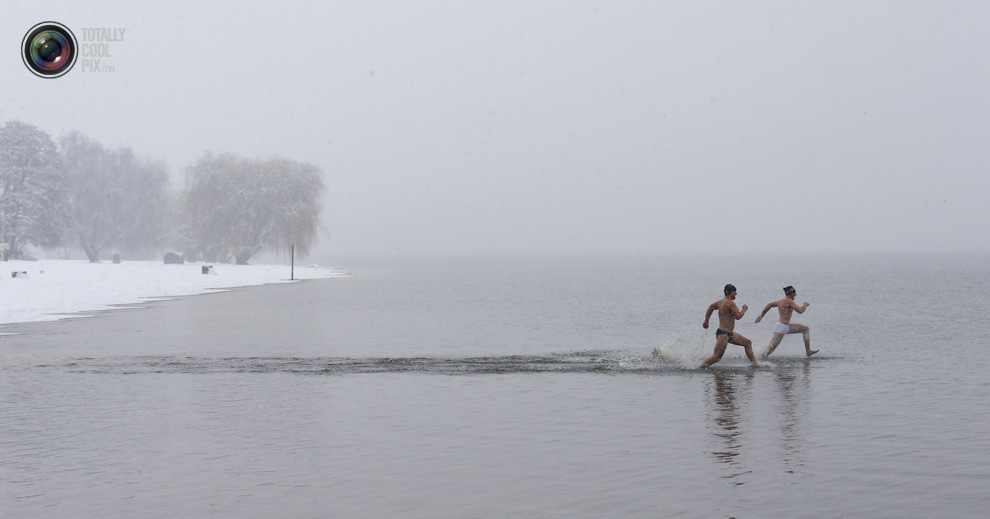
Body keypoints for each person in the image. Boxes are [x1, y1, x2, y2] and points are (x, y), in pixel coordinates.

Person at [700, 284, 759, 368]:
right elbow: (738, 316)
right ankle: (700, 368)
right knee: (717, 357)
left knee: (747, 343)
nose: (736, 294)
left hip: (728, 333)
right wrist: (744, 309)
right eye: (735, 292)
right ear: (731, 292)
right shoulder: (730, 303)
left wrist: (706, 320)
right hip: (723, 334)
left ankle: (754, 365)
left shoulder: (721, 302)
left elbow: (711, 307)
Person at [755, 285, 818, 359]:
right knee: (768, 351)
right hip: (781, 328)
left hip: (785, 326)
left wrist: (761, 316)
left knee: (805, 329)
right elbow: (800, 311)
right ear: (791, 293)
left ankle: (808, 351)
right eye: (795, 293)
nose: (796, 295)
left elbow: (769, 305)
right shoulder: (790, 301)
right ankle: (757, 360)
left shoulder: (780, 301)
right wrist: (805, 305)